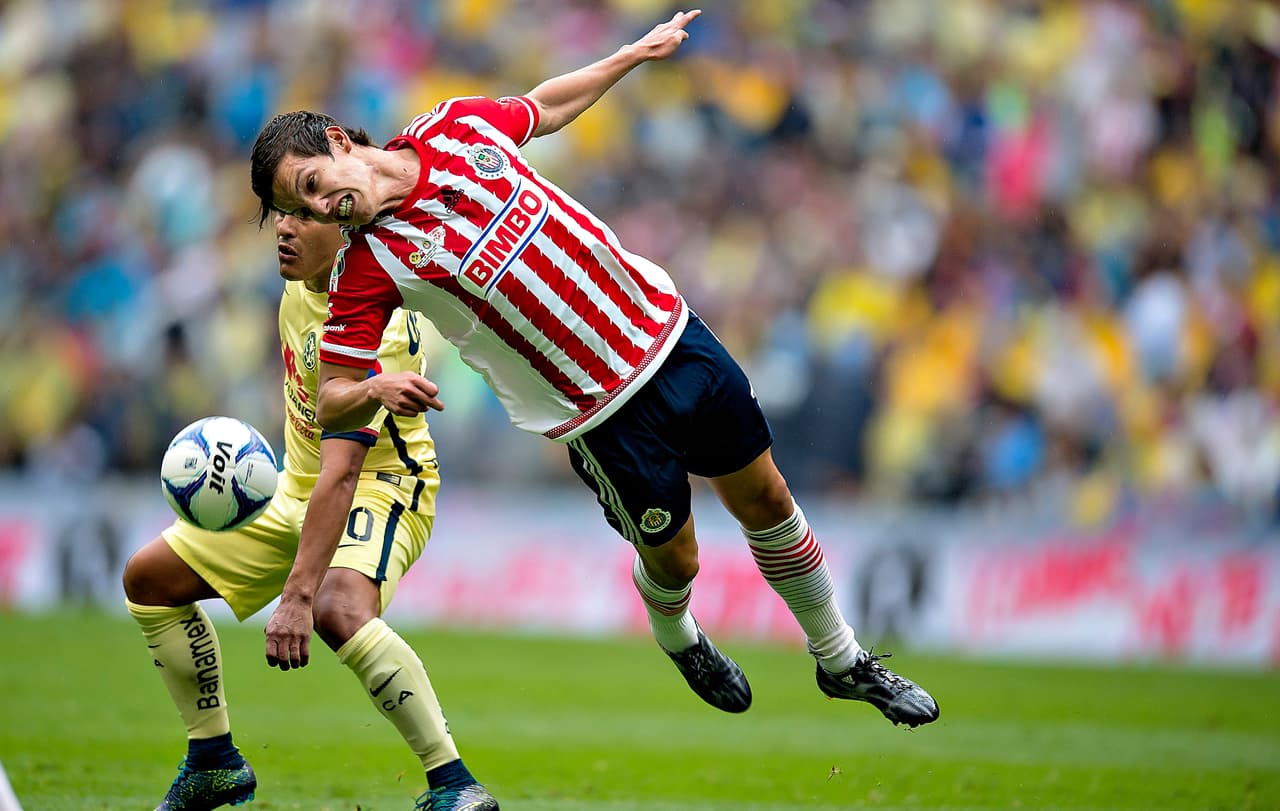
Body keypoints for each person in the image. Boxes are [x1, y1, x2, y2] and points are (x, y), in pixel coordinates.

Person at [249, 9, 939, 728]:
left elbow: (543, 107)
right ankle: (681, 638)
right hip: (598, 411)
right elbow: (330, 400)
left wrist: (631, 55)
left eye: (311, 183)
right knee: (679, 561)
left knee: (766, 496)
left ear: (336, 140)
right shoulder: (367, 267)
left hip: (668, 334)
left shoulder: (451, 129)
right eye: (303, 204)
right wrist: (372, 386)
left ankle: (842, 659)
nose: (321, 204)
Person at [121, 212, 499, 811]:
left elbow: (345, 469)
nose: (283, 229)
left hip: (383, 485)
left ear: (346, 229)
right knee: (148, 579)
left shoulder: (381, 325)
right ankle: (213, 761)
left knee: (337, 608)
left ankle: (454, 784)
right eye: (279, 214)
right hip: (296, 486)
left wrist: (295, 597)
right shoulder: (301, 285)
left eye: (302, 215)